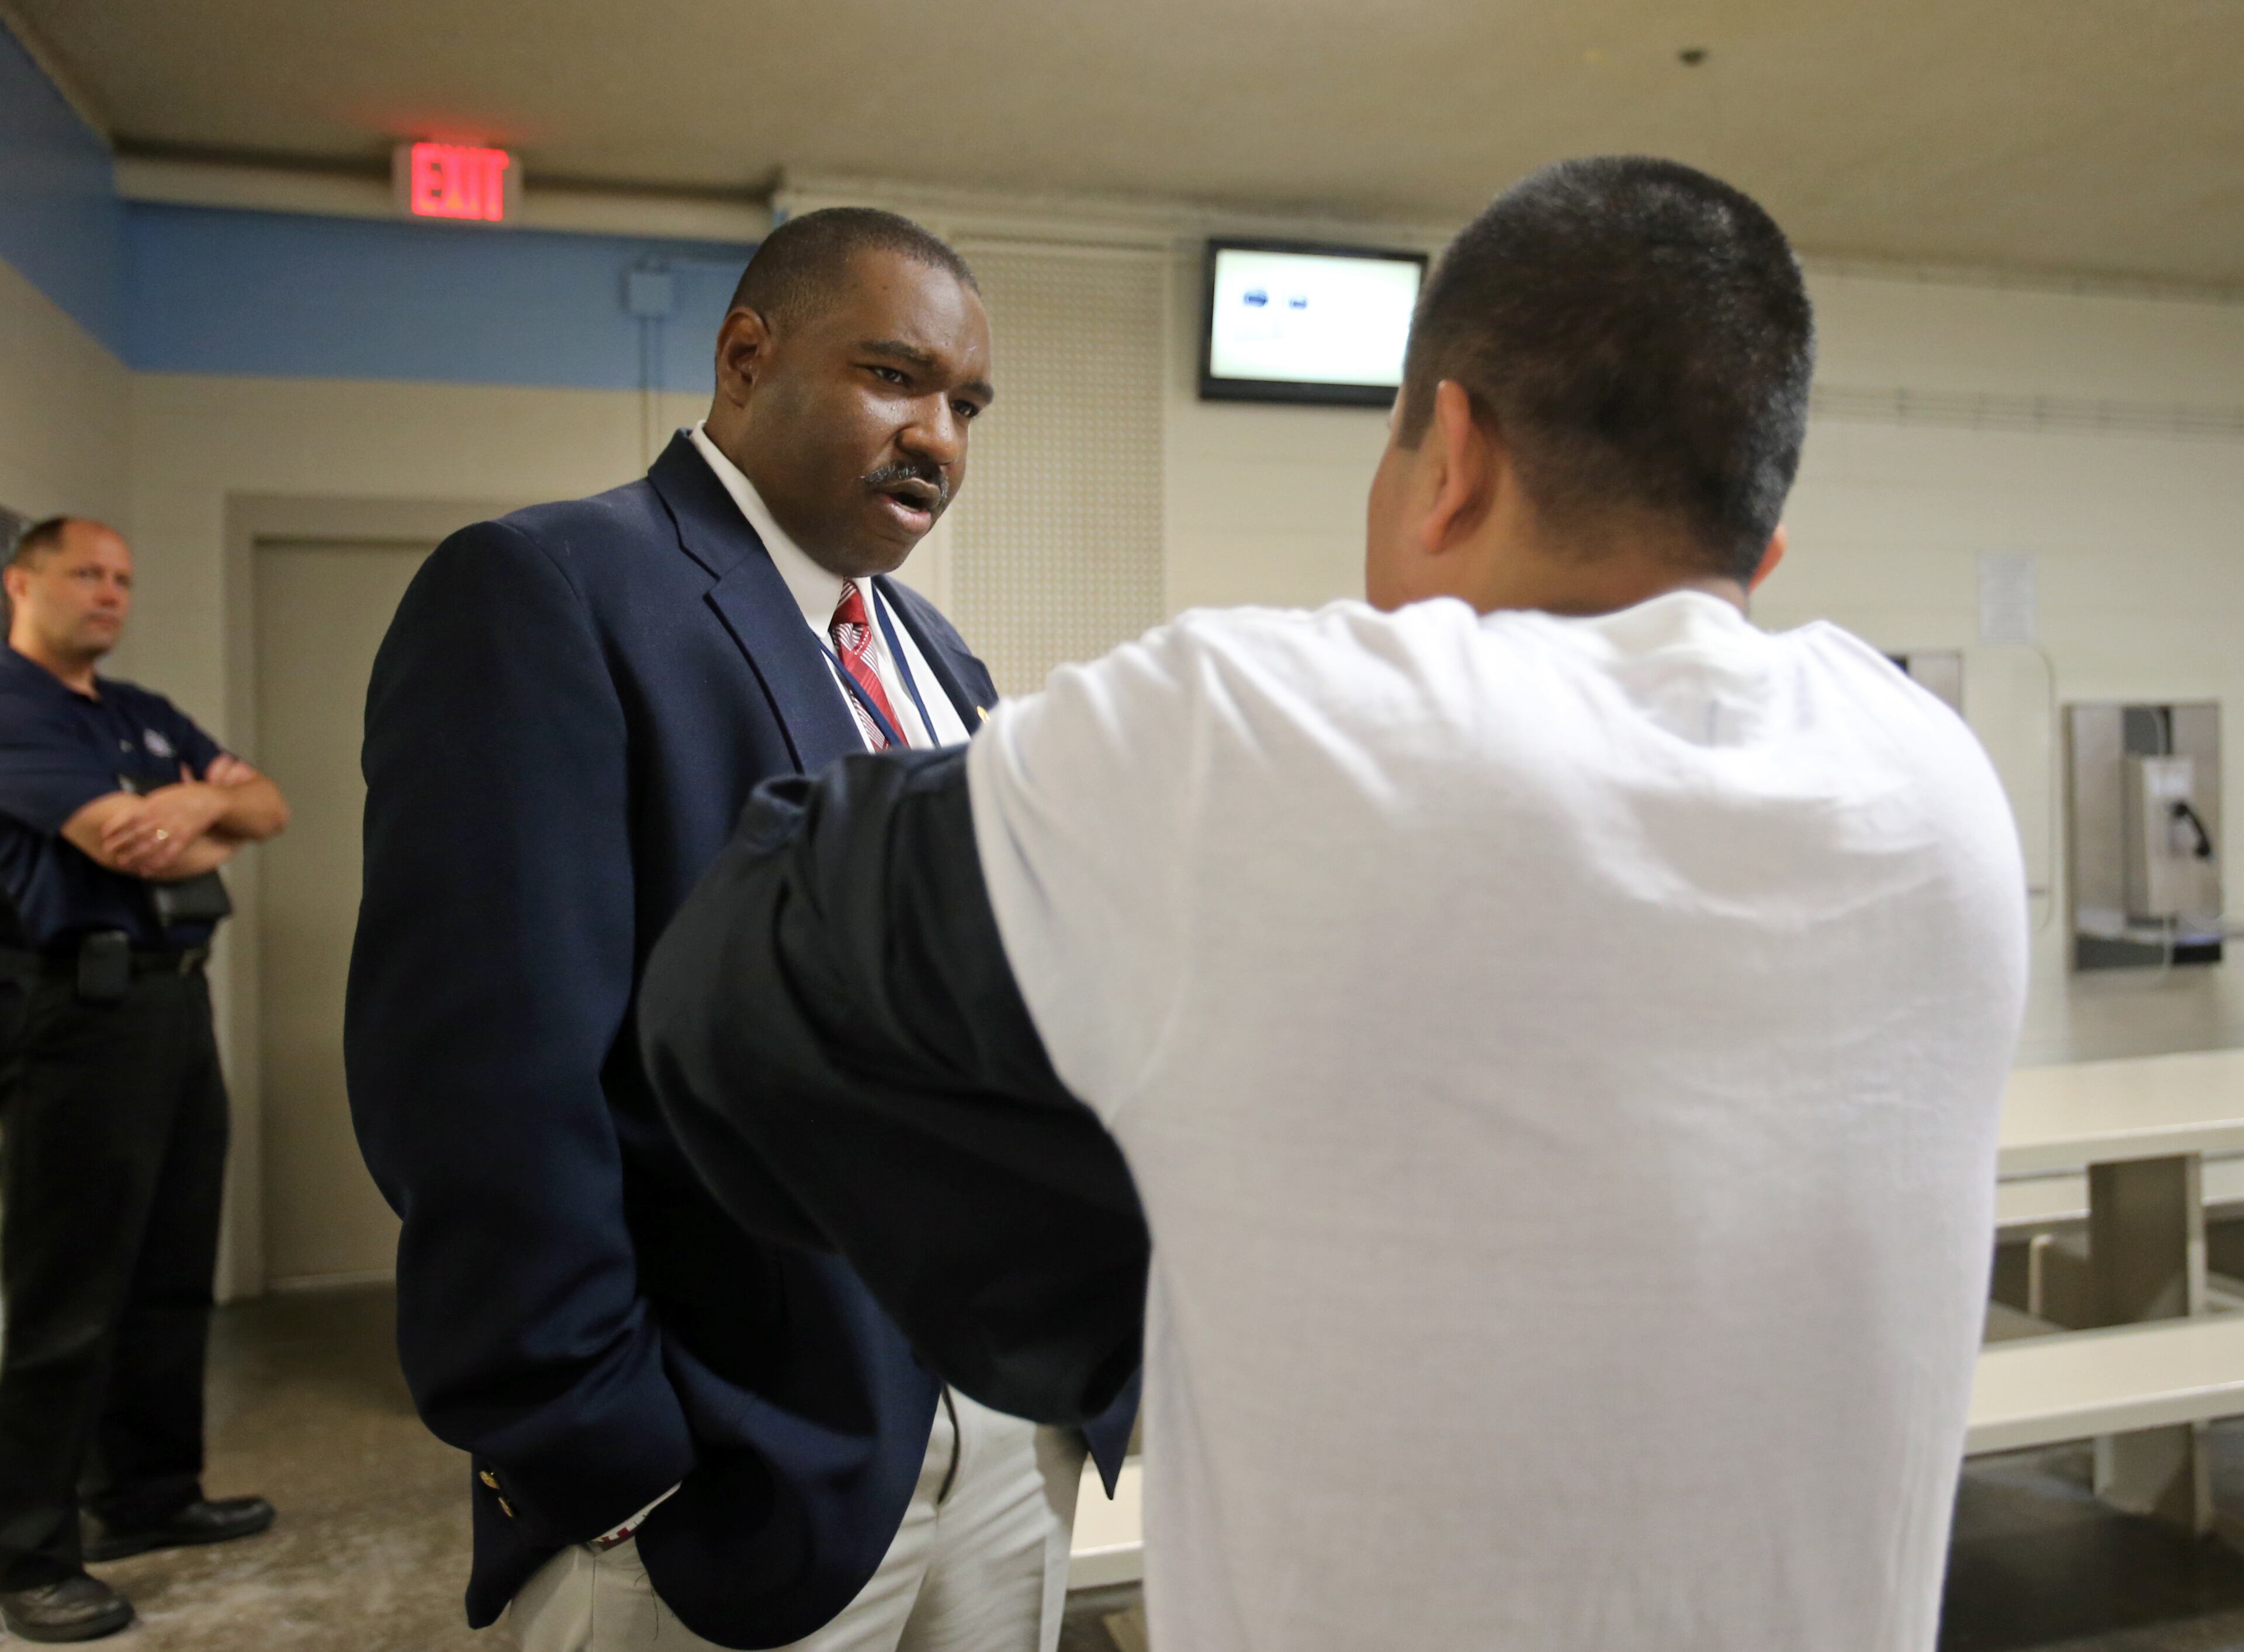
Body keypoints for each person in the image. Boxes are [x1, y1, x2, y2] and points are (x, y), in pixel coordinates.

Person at [639, 157, 2031, 1651]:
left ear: (1451, 459)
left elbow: (729, 987)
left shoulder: (1274, 732)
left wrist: (1154, 1272)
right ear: (1757, 549)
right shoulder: (1936, 781)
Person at [345, 207, 1135, 1652]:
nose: (939, 439)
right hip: (733, 1466)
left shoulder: (933, 654)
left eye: (965, 405)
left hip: (1001, 1437)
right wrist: (607, 1456)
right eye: (894, 377)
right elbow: (478, 1093)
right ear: (744, 357)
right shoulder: (554, 592)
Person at [0, 517, 289, 1644]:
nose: (112, 593)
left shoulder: (134, 711)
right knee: (69, 1289)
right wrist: (197, 806)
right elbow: (124, 842)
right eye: (88, 573)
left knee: (175, 1259)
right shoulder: (14, 708)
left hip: (172, 1001)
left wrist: (203, 805)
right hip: (75, 1013)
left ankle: (148, 1496)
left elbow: (267, 804)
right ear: (21, 583)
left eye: (124, 575)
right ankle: (27, 1548)